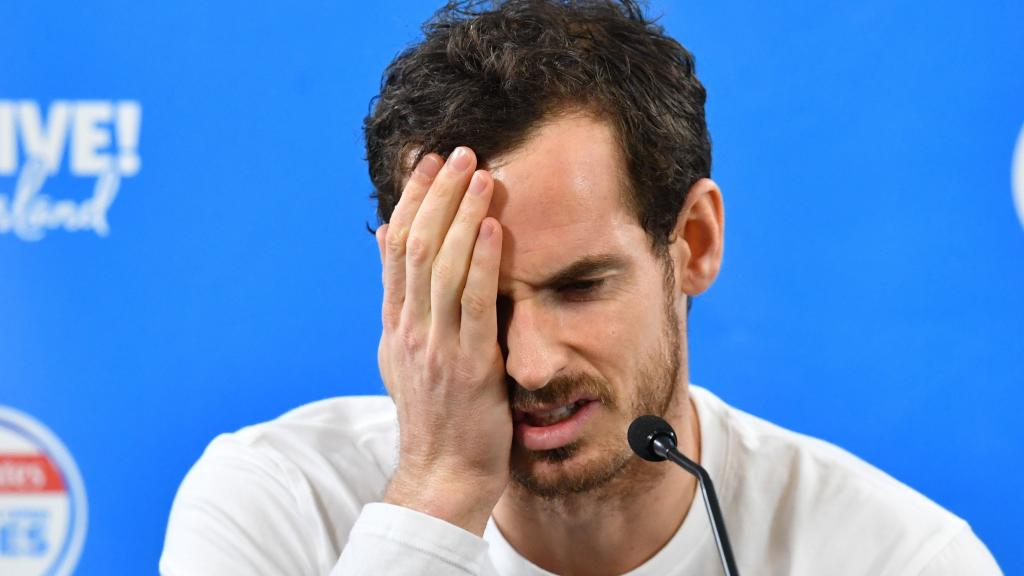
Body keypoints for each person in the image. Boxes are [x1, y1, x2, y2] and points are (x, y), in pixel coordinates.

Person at [160, 1, 1002, 574]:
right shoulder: (275, 507)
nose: (528, 364)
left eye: (579, 287)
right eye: (477, 301)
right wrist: (437, 492)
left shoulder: (892, 556)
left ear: (694, 244)